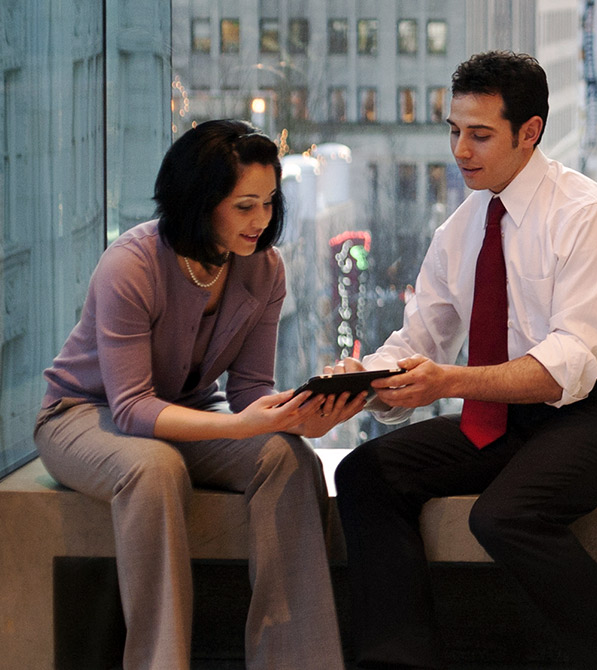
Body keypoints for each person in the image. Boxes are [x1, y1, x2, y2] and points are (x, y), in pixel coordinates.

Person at [332, 52, 597, 670]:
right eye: (454, 130)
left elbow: (572, 361)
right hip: (511, 417)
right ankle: (397, 659)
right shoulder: (461, 229)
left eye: (480, 134)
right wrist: (362, 383)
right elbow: (421, 341)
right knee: (367, 473)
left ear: (530, 131)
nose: (461, 150)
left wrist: (449, 382)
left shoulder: (588, 214)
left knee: (505, 516)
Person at [34, 119, 364, 670]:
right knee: (154, 468)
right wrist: (241, 426)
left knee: (287, 458)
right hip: (82, 415)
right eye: (243, 206)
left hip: (187, 412)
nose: (261, 220)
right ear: (200, 199)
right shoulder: (131, 264)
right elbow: (132, 407)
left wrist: (303, 414)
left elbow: (250, 390)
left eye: (268, 203)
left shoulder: (264, 270)